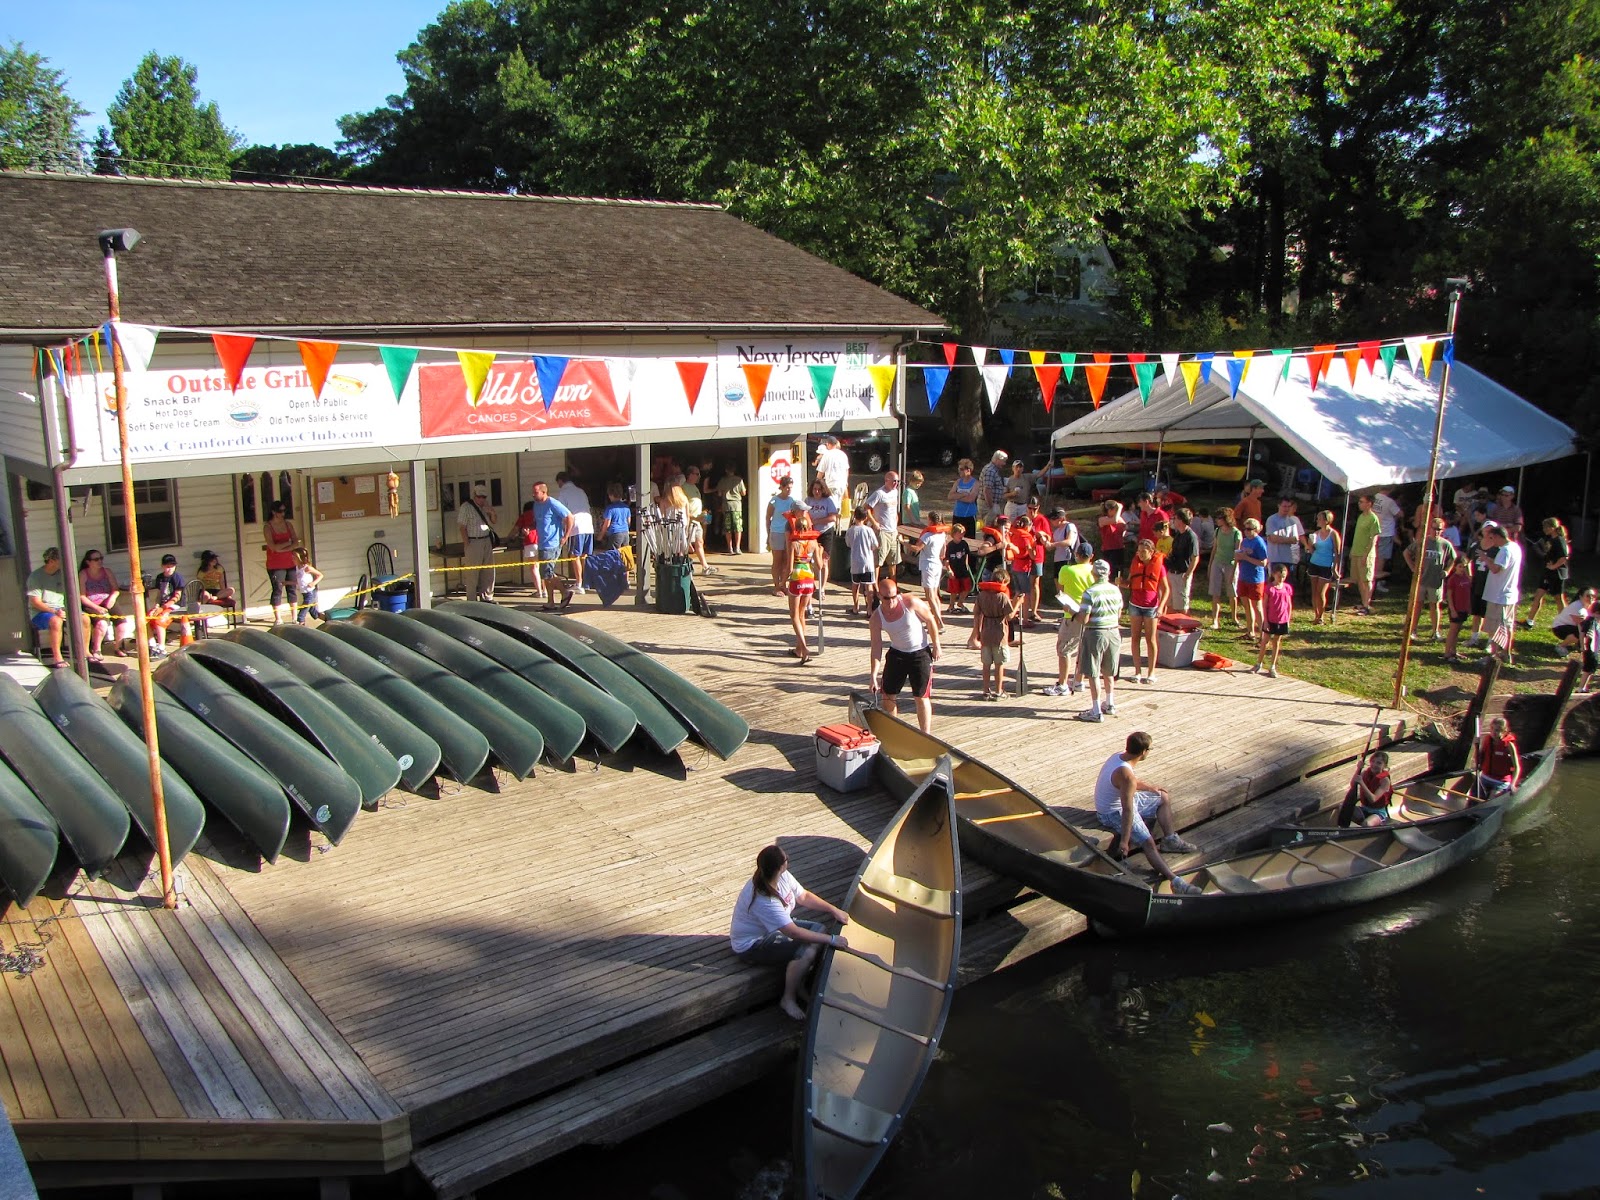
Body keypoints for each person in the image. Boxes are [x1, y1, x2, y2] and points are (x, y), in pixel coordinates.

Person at [729, 844, 849, 1021]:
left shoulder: (782, 876)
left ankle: (800, 981)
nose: (788, 861)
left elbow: (804, 897)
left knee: (819, 929)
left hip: (777, 929)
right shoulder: (763, 899)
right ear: (780, 866)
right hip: (752, 944)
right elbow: (794, 933)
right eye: (786, 860)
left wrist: (833, 910)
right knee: (806, 952)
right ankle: (788, 998)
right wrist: (832, 939)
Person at [1092, 732, 1201, 891]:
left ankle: (1170, 840)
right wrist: (1124, 840)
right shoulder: (1126, 775)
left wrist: (1151, 788)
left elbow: (1131, 784)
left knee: (1162, 797)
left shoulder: (1118, 757)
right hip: (1112, 813)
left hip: (1122, 801)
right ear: (1143, 752)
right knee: (1148, 842)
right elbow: (1128, 810)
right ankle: (1175, 881)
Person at [868, 575, 941, 733]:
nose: (892, 602)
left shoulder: (910, 602)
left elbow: (930, 620)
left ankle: (925, 735)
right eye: (887, 599)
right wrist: (873, 675)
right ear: (879, 596)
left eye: (894, 596)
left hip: (920, 652)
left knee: (921, 696)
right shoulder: (876, 618)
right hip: (897, 654)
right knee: (887, 695)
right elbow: (876, 647)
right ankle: (893, 731)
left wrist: (937, 645)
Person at [1043, 541, 1096, 697]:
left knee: (1064, 650)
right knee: (1083, 649)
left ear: (1077, 555)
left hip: (1072, 614)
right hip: (1090, 615)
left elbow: (1061, 590)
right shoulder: (1096, 571)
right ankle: (1078, 681)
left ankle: (1063, 684)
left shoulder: (1067, 570)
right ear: (1091, 556)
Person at [1074, 559, 1123, 722]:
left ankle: (1095, 710)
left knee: (1093, 672)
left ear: (1093, 573)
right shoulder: (1116, 590)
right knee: (1109, 671)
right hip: (1114, 632)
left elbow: (1084, 619)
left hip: (1096, 633)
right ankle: (1109, 703)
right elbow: (1119, 614)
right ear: (1108, 573)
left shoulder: (1090, 592)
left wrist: (1072, 612)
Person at [1404, 516, 1456, 641]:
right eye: (1434, 529)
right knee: (1418, 604)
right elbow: (1406, 552)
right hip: (1421, 579)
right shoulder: (1422, 542)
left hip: (1435, 580)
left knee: (1435, 605)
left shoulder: (1445, 544)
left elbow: (1453, 558)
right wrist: (1413, 567)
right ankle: (1413, 629)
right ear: (1429, 529)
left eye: (1439, 529)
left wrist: (1447, 571)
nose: (1436, 531)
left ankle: (1435, 631)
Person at [970, 566, 1016, 700]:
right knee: (999, 664)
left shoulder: (982, 595)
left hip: (985, 632)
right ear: (1003, 583)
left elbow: (976, 613)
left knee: (986, 664)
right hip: (999, 634)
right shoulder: (1002, 597)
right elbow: (1009, 616)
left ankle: (985, 690)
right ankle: (998, 690)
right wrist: (1018, 603)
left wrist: (976, 632)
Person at [1479, 520, 1523, 662]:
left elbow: (1496, 569)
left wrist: (1485, 558)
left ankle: (1494, 656)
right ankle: (1506, 652)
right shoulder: (1515, 547)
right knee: (1507, 625)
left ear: (1498, 536)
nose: (1492, 542)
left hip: (1499, 595)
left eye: (1492, 538)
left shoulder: (1504, 551)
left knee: (1495, 627)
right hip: (1509, 594)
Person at [79, 549, 133, 661]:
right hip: (91, 603)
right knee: (102, 624)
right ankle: (96, 649)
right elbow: (82, 596)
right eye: (96, 559)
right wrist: (97, 608)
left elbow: (115, 589)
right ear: (88, 562)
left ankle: (119, 647)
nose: (99, 561)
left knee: (122, 623)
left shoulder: (107, 571)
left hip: (107, 600)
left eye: (101, 558)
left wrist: (112, 598)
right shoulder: (83, 574)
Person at [1126, 539, 1167, 685]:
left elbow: (1166, 589)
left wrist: (1161, 606)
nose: (1141, 554)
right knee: (1135, 638)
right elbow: (1129, 583)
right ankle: (1137, 672)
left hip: (1151, 607)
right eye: (1139, 551)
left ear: (1151, 552)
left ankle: (1151, 672)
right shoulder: (1135, 564)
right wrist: (1120, 582)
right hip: (1135, 605)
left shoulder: (1159, 566)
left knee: (1150, 639)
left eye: (1144, 551)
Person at [26, 547, 75, 668]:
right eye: (60, 560)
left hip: (62, 609)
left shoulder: (62, 574)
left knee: (84, 618)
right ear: (51, 561)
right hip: (41, 613)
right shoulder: (35, 577)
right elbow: (35, 602)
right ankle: (58, 657)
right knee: (56, 621)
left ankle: (85, 653)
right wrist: (54, 611)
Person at [530, 481, 575, 610]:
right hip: (542, 543)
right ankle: (550, 601)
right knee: (546, 574)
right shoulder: (536, 505)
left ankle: (565, 592)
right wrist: (529, 528)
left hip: (552, 543)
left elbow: (569, 517)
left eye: (536, 492)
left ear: (544, 492)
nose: (533, 495)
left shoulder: (552, 503)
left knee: (548, 573)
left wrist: (565, 536)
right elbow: (538, 523)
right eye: (533, 492)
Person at [1523, 517, 1571, 628]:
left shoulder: (1559, 540)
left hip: (1556, 573)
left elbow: (1563, 557)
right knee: (1538, 595)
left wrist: (1553, 567)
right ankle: (1529, 621)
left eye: (1546, 527)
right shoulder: (1550, 540)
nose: (1544, 529)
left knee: (1559, 599)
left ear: (1553, 527)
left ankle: (1564, 623)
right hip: (1547, 572)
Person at [786, 516, 820, 663]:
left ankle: (804, 648)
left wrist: (782, 582)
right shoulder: (814, 543)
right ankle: (799, 649)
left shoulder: (794, 543)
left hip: (797, 578)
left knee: (794, 616)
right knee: (801, 615)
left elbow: (789, 567)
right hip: (809, 578)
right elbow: (819, 565)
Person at [457, 484, 499, 603]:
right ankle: (471, 599)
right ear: (474, 496)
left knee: (488, 571)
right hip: (473, 540)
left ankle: (487, 597)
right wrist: (467, 543)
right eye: (479, 497)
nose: (482, 499)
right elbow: (462, 527)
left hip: (486, 539)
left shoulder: (486, 506)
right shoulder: (466, 507)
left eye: (484, 497)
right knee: (472, 573)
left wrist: (491, 512)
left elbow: (494, 521)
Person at [262, 499, 301, 624]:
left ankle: (294, 617)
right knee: (277, 588)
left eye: (284, 511)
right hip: (275, 564)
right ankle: (278, 618)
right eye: (280, 511)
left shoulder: (288, 524)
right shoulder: (268, 527)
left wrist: (285, 547)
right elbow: (273, 547)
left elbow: (296, 542)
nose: (283, 514)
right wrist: (288, 543)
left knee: (292, 588)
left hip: (290, 561)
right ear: (274, 512)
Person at [556, 472, 596, 593]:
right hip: (588, 525)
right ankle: (585, 582)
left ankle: (579, 583)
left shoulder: (563, 492)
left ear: (561, 481)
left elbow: (561, 512)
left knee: (575, 555)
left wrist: (562, 529)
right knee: (584, 555)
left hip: (576, 526)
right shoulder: (581, 491)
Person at [1253, 562, 1294, 677]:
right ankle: (1258, 663)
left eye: (1284, 577)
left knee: (1276, 642)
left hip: (1282, 619)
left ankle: (1272, 666)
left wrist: (1288, 619)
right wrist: (1265, 621)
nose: (1282, 579)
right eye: (1280, 576)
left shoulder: (1287, 588)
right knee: (1265, 641)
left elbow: (1289, 605)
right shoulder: (1269, 588)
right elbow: (1265, 605)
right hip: (1271, 619)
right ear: (1274, 574)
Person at [145, 554, 189, 656]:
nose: (169, 569)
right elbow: (159, 594)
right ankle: (152, 645)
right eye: (167, 566)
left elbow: (177, 596)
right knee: (146, 618)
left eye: (172, 566)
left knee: (160, 620)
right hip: (162, 605)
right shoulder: (160, 577)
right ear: (162, 566)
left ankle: (162, 648)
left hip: (175, 606)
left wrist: (163, 608)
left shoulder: (177, 577)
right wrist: (156, 605)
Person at [862, 470, 902, 584]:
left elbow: (894, 509)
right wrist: (874, 523)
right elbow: (866, 508)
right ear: (886, 481)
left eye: (897, 481)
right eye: (893, 481)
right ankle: (875, 587)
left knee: (893, 561)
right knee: (878, 561)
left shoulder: (895, 492)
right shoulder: (879, 493)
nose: (896, 483)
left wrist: (896, 520)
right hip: (882, 531)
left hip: (893, 531)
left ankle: (893, 585)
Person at [804, 478, 841, 601]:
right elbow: (804, 514)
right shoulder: (808, 500)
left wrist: (817, 521)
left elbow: (833, 518)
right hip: (811, 533)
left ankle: (822, 587)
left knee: (824, 561)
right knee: (809, 559)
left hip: (825, 532)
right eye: (814, 489)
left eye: (819, 489)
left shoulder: (828, 501)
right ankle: (812, 585)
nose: (817, 492)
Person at [1304, 510, 1342, 625]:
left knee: (1321, 592)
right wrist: (1309, 543)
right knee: (1314, 591)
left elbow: (1337, 552)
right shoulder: (1316, 534)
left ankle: (1321, 616)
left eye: (1319, 519)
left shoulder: (1333, 534)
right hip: (1314, 563)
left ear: (1326, 521)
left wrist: (1335, 568)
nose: (1317, 521)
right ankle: (1316, 615)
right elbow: (1311, 550)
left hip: (1326, 565)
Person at [913, 511, 949, 633]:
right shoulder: (942, 533)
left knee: (930, 596)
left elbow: (917, 548)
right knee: (935, 595)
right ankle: (936, 620)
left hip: (928, 566)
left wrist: (902, 542)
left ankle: (939, 623)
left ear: (930, 520)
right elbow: (943, 551)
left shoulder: (927, 536)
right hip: (937, 565)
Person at [766, 476, 803, 593]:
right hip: (776, 532)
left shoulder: (792, 501)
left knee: (787, 560)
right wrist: (768, 533)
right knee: (777, 560)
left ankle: (783, 584)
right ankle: (776, 586)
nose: (789, 490)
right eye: (787, 488)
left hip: (788, 533)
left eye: (791, 488)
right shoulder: (774, 501)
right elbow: (768, 518)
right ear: (781, 487)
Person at [1234, 517, 1269, 639]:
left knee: (1257, 607)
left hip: (1255, 579)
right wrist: (1238, 557)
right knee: (1246, 606)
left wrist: (1246, 558)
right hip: (1243, 576)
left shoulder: (1259, 543)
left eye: (1249, 529)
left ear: (1256, 530)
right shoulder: (1244, 541)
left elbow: (1263, 563)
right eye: (1245, 529)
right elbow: (1241, 556)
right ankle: (1250, 631)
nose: (1246, 531)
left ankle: (1263, 634)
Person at [1472, 715, 1521, 801]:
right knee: (1473, 797)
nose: (1494, 732)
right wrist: (1476, 748)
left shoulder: (1509, 745)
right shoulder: (1487, 740)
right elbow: (1480, 760)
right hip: (1485, 777)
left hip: (1501, 782)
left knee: (1492, 800)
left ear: (1504, 731)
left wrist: (1513, 784)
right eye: (1492, 729)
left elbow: (1517, 767)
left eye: (1497, 730)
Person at [1208, 506, 1241, 630]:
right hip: (1217, 562)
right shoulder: (1217, 531)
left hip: (1230, 564)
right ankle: (1215, 620)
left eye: (1219, 518)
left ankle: (1234, 617)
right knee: (1215, 592)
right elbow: (1214, 549)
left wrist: (1234, 570)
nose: (1217, 520)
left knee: (1232, 592)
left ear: (1226, 518)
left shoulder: (1236, 533)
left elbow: (1237, 553)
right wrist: (1210, 565)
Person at [1348, 493, 1381, 615]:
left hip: (1366, 554)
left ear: (1369, 504)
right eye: (1359, 502)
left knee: (1367, 580)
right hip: (1356, 551)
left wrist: (1366, 555)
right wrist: (1353, 550)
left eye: (1362, 501)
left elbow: (1374, 539)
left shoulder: (1373, 519)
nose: (1359, 504)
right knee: (1359, 580)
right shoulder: (1361, 516)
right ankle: (1363, 603)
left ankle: (1367, 605)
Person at [1264, 497, 1304, 589]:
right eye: (1284, 506)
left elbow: (1295, 540)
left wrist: (1280, 539)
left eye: (1288, 506)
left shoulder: (1292, 521)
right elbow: (1273, 538)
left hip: (1289, 559)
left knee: (1287, 586)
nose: (1286, 509)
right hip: (1275, 558)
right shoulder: (1272, 519)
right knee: (1273, 585)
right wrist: (1287, 539)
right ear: (1279, 506)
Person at [1165, 509, 1200, 614]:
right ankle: (1170, 626)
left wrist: (1188, 574)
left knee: (1181, 604)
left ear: (1181, 520)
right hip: (1172, 571)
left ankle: (1183, 625)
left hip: (1182, 573)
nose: (1173, 521)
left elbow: (1195, 557)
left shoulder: (1191, 536)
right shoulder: (1178, 534)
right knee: (1170, 602)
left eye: (1175, 518)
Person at [846, 508, 879, 615]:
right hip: (868, 562)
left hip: (855, 562)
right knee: (868, 585)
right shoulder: (869, 530)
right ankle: (869, 610)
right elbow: (875, 545)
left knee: (855, 585)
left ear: (855, 516)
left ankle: (856, 607)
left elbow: (848, 544)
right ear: (865, 518)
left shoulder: (851, 530)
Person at [1443, 556, 1475, 662]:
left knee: (1458, 631)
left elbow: (1468, 591)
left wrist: (1469, 607)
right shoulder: (1453, 579)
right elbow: (1449, 596)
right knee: (1453, 630)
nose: (1462, 569)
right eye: (1460, 566)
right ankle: (1447, 652)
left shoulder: (1466, 578)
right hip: (1455, 608)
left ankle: (1454, 650)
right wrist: (1452, 609)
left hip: (1463, 608)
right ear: (1455, 567)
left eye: (1464, 567)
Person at [1352, 750, 1395, 826]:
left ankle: (1371, 824)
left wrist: (1361, 783)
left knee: (1366, 824)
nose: (1374, 765)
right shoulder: (1365, 773)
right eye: (1373, 761)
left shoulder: (1385, 781)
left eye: (1379, 763)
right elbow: (1353, 784)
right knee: (1343, 808)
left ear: (1384, 766)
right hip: (1364, 809)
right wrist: (1358, 769)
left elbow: (1373, 799)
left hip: (1378, 812)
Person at [1371, 486, 1403, 589]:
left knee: (1373, 557)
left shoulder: (1373, 498)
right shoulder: (1389, 502)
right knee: (1381, 558)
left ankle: (1371, 579)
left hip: (1374, 531)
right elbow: (1400, 514)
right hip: (1385, 532)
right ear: (1391, 489)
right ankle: (1376, 582)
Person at [1549, 586, 1597, 650]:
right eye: (1588, 596)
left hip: (1571, 626)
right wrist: (1583, 648)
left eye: (1593, 596)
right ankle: (1561, 646)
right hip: (1559, 629)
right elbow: (1581, 631)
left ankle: (1578, 644)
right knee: (1585, 632)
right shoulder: (1578, 609)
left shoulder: (1589, 605)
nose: (1591, 598)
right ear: (1581, 597)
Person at [813, 434, 850, 511]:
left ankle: (833, 521)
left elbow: (820, 472)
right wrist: (845, 481)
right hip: (841, 484)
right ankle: (837, 521)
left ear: (828, 444)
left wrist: (816, 484)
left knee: (832, 506)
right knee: (838, 504)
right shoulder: (843, 455)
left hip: (831, 484)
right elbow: (846, 470)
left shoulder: (827, 455)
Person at [717, 464, 747, 554]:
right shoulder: (739, 480)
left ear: (726, 470)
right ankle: (737, 547)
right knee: (738, 527)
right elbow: (743, 493)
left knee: (728, 527)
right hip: (737, 505)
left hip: (726, 504)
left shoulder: (723, 480)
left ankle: (730, 548)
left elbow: (719, 493)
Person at [944, 522, 973, 614]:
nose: (961, 535)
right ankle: (951, 606)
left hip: (963, 569)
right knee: (954, 590)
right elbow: (946, 559)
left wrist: (967, 565)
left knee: (967, 588)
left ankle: (960, 603)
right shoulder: (950, 546)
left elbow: (967, 555)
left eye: (963, 533)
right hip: (954, 570)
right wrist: (949, 570)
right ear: (954, 534)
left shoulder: (964, 544)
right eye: (959, 533)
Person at [1098, 498, 1128, 585]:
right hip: (1109, 550)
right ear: (1110, 510)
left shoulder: (1119, 518)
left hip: (1119, 548)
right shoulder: (1102, 519)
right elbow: (1114, 520)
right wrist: (1120, 508)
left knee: (1119, 573)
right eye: (1115, 510)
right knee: (1111, 573)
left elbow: (1125, 526)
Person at [293, 547, 324, 623]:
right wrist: (286, 583)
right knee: (314, 613)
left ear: (300, 558)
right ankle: (327, 619)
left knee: (301, 614)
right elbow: (299, 581)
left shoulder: (307, 568)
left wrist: (313, 583)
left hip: (310, 593)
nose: (292, 558)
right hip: (304, 594)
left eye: (294, 557)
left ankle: (301, 628)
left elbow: (320, 575)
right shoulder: (297, 568)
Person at [598, 483, 632, 552]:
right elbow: (628, 522)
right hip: (625, 533)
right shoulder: (626, 507)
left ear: (611, 495)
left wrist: (600, 537)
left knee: (613, 556)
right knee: (625, 555)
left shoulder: (610, 508)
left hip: (615, 533)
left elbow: (606, 525)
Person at [978, 450, 1009, 525]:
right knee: (990, 527)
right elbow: (987, 490)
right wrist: (991, 507)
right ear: (997, 459)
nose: (1004, 464)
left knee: (994, 526)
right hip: (988, 505)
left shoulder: (994, 470)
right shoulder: (990, 471)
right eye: (1003, 461)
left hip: (993, 504)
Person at [948, 459, 980, 530]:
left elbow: (970, 499)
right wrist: (963, 494)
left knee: (969, 539)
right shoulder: (958, 482)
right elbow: (950, 496)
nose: (959, 471)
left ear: (968, 470)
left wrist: (956, 496)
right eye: (959, 469)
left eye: (961, 469)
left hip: (969, 516)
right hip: (957, 515)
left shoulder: (975, 483)